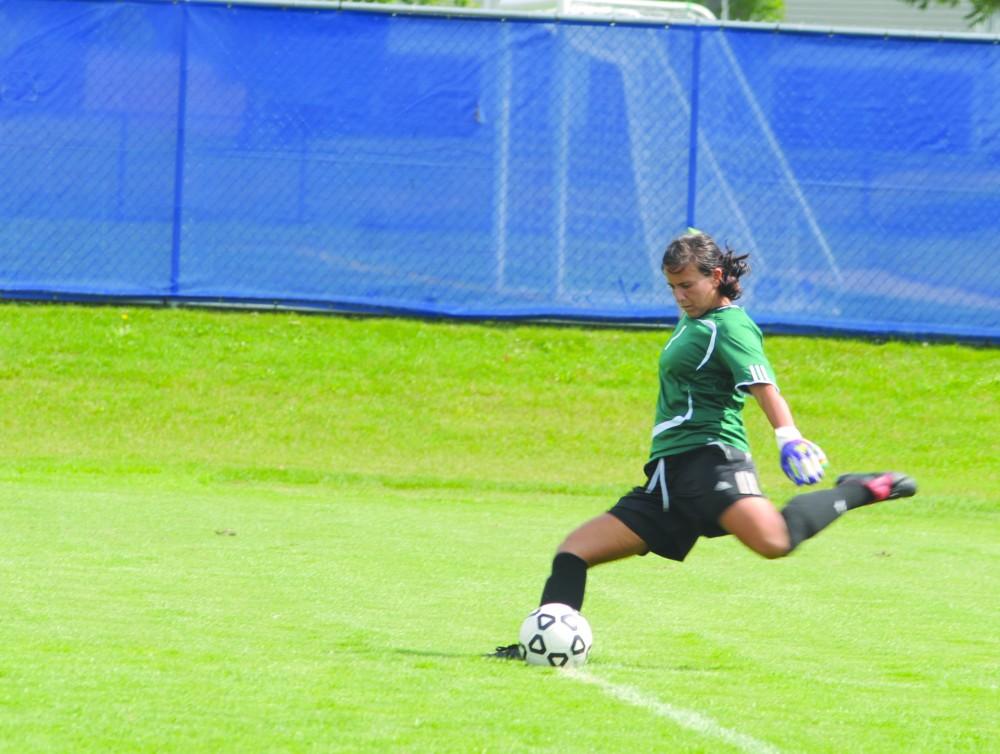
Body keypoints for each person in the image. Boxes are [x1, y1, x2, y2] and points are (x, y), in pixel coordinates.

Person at [491, 230, 916, 658]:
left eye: (687, 285)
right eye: (672, 286)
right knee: (574, 551)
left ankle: (860, 489)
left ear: (715, 277)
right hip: (666, 480)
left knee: (775, 542)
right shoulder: (695, 317)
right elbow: (694, 244)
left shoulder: (730, 326)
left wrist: (789, 437)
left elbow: (763, 385)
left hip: (710, 462)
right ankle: (538, 648)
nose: (679, 295)